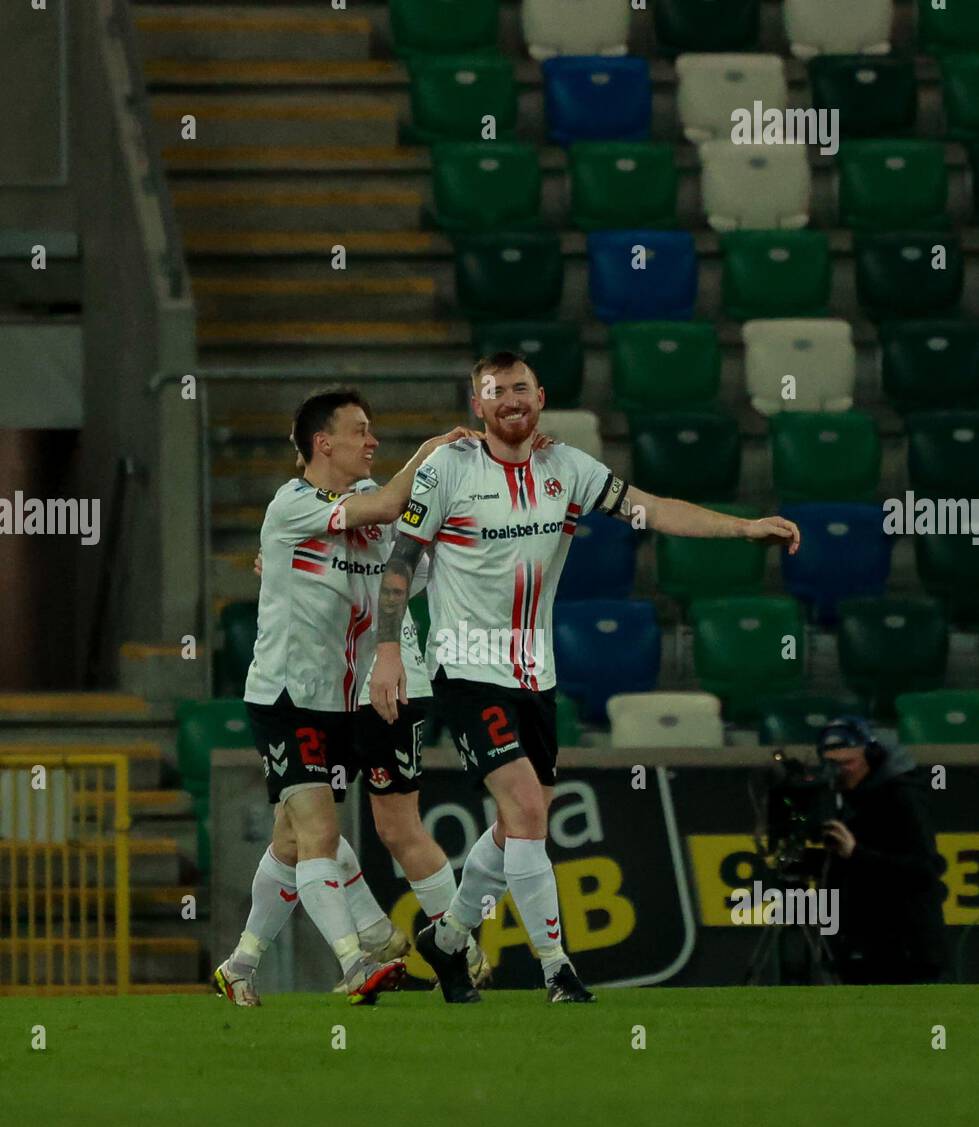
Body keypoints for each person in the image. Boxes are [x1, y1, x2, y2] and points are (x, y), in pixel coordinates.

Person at [370, 351, 802, 1003]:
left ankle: (449, 937)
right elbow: (401, 558)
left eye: (521, 388)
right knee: (522, 808)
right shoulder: (447, 470)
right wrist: (387, 651)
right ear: (477, 406)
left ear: (540, 397)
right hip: (464, 666)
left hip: (535, 672)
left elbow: (650, 509)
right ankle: (556, 968)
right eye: (496, 392)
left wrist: (742, 529)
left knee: (524, 818)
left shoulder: (566, 468)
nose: (511, 400)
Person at [214, 388, 483, 1006]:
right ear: (322, 443)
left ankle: (240, 963)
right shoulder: (293, 503)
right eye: (360, 431)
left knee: (292, 837)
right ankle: (357, 960)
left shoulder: (361, 523)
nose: (372, 441)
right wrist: (430, 452)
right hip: (285, 694)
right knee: (318, 831)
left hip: (339, 700)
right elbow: (390, 500)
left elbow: (413, 561)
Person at [818, 717, 948, 985]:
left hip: (906, 948)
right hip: (860, 941)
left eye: (847, 763)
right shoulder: (839, 797)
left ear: (871, 757)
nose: (839, 772)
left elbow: (924, 871)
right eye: (832, 764)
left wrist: (856, 853)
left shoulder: (903, 796)